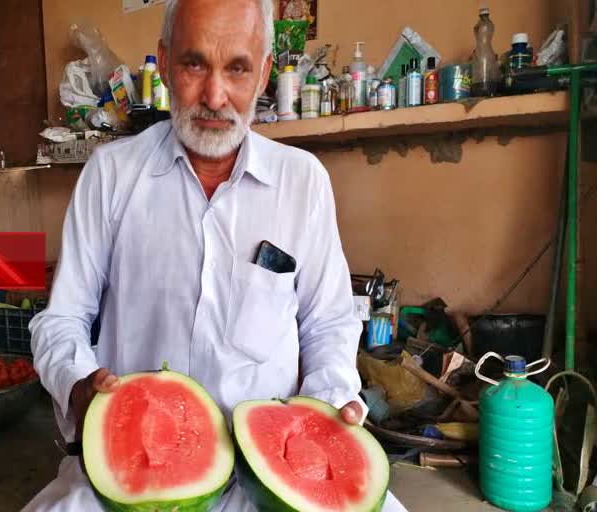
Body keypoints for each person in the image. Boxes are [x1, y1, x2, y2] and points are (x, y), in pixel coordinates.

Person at [23, 0, 406, 510]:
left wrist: (331, 401)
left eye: (238, 68)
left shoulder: (302, 182)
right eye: (195, 63)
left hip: (267, 472)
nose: (214, 95)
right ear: (164, 60)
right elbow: (63, 318)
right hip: (134, 465)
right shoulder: (110, 174)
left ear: (266, 71)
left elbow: (329, 324)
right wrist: (77, 385)